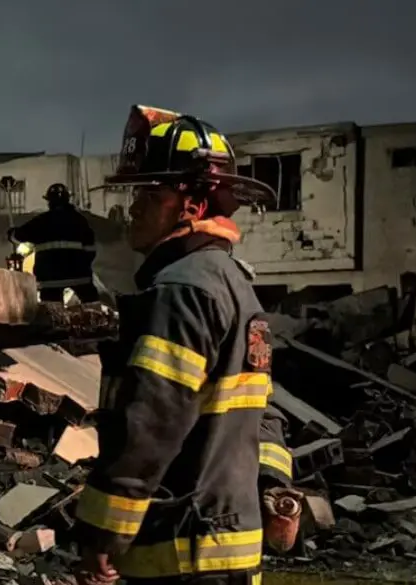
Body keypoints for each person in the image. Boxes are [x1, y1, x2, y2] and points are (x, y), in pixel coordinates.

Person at [75, 105, 291, 585]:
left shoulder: (182, 289)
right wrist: (274, 485)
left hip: (182, 552)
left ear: (191, 206)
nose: (132, 208)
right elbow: (263, 411)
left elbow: (151, 419)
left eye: (149, 196)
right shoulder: (233, 282)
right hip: (229, 546)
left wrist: (102, 531)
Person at [7, 183, 99, 303]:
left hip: (50, 278)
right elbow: (91, 248)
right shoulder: (79, 220)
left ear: (49, 201)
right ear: (67, 199)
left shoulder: (42, 221)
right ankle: (96, 319)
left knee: (52, 312)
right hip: (79, 275)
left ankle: (54, 320)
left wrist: (11, 234)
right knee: (91, 304)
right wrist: (82, 264)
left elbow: (20, 235)